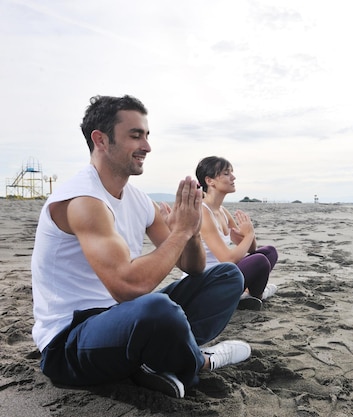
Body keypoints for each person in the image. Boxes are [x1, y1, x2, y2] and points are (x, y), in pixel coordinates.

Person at [31, 95, 251, 399]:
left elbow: (194, 267)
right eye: (135, 135)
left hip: (121, 319)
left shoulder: (137, 200)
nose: (147, 146)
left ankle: (156, 360)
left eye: (147, 135)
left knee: (226, 276)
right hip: (69, 343)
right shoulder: (83, 201)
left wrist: (192, 232)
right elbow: (128, 286)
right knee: (156, 308)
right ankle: (201, 361)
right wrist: (181, 231)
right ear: (101, 140)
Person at [194, 156, 278, 311]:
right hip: (207, 285)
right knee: (259, 260)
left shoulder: (222, 211)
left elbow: (251, 249)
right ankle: (256, 295)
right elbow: (228, 259)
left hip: (224, 275)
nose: (233, 177)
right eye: (226, 173)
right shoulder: (203, 212)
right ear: (210, 181)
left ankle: (246, 295)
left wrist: (248, 233)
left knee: (269, 252)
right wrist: (249, 234)